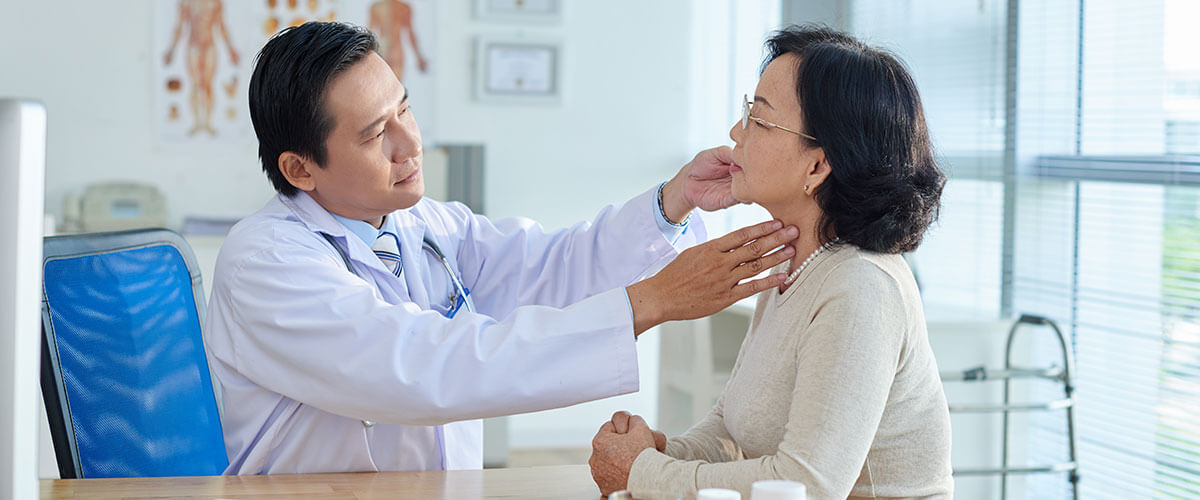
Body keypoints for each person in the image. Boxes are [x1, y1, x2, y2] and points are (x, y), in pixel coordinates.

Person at [204, 21, 800, 475]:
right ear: (299, 169)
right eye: (374, 133)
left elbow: (552, 265)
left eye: (404, 108)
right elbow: (418, 367)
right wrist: (650, 302)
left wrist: (672, 202)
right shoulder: (265, 263)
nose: (410, 143)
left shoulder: (426, 226)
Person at [588, 25, 953, 499]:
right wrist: (663, 455)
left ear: (817, 167)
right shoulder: (798, 264)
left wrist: (643, 472)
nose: (737, 132)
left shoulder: (862, 287)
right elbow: (732, 430)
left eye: (760, 120)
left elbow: (809, 484)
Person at [164, 0, 240, 136]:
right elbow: (179, 27)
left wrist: (231, 50)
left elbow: (222, 26)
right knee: (196, 84)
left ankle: (207, 123)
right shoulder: (186, 3)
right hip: (193, 46)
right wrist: (171, 50)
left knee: (207, 85)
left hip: (209, 45)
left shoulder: (216, 3)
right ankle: (197, 122)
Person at [368, 0, 427, 81]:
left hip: (386, 50)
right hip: (393, 51)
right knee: (392, 88)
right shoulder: (403, 7)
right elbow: (370, 33)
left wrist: (418, 57)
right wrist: (418, 56)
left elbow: (370, 33)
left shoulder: (377, 7)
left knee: (388, 87)